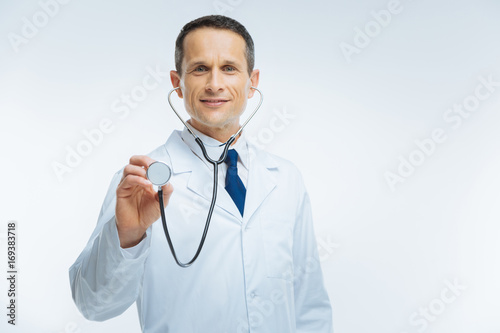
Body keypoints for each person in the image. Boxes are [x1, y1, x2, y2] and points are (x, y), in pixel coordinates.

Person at [69, 15, 333, 333]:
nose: (214, 84)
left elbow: (309, 303)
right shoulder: (142, 182)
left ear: (253, 82)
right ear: (177, 83)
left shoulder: (286, 178)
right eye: (200, 68)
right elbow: (93, 305)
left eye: (229, 68)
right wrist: (127, 236)